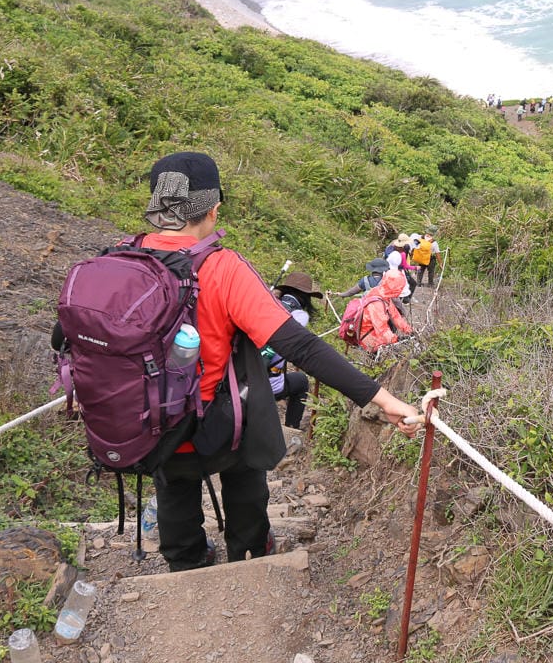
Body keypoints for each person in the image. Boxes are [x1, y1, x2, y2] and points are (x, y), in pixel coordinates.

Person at [138, 152, 420, 570]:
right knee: (244, 462)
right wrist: (383, 399)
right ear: (213, 209)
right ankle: (250, 553)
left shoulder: (121, 261)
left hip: (151, 421)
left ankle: (186, 561)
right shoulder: (222, 268)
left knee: (174, 484)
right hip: (218, 423)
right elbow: (300, 347)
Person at [269, 271, 321, 430]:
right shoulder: (299, 316)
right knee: (301, 381)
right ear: (306, 297)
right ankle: (291, 429)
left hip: (240, 378)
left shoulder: (266, 303)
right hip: (268, 385)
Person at [357, 269, 414, 352]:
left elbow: (395, 316)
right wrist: (396, 339)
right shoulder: (376, 303)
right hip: (369, 339)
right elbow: (382, 329)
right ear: (393, 287)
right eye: (399, 289)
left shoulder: (383, 294)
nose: (399, 292)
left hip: (376, 334)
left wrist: (409, 330)